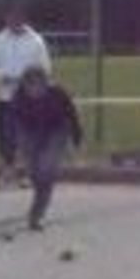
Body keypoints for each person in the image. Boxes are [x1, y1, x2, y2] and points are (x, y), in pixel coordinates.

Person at [0, 1, 52, 188]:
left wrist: (31, 82)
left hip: (29, 97)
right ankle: (7, 171)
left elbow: (45, 68)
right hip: (5, 96)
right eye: (10, 17)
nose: (14, 20)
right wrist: (2, 76)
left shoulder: (36, 40)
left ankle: (28, 173)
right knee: (5, 137)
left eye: (18, 17)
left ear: (24, 18)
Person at [12, 66, 83, 231]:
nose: (34, 92)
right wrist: (14, 148)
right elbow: (14, 123)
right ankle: (40, 193)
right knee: (33, 171)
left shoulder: (58, 93)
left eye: (38, 87)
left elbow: (72, 115)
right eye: (30, 88)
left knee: (47, 169)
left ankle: (37, 214)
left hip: (57, 130)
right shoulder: (19, 97)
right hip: (30, 130)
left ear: (45, 84)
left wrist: (76, 140)